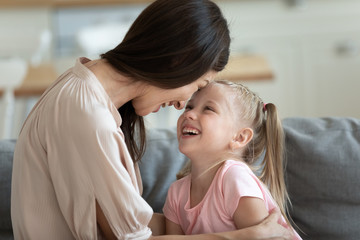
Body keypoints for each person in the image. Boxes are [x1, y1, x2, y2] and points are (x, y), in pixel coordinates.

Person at [11, 0, 292, 239]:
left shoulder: (83, 90)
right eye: (197, 86)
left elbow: (128, 223)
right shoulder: (87, 115)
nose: (183, 105)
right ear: (177, 62)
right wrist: (246, 236)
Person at [163, 80, 302, 239]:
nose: (188, 113)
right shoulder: (176, 193)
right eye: (189, 106)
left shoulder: (235, 179)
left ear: (240, 137)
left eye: (208, 108)